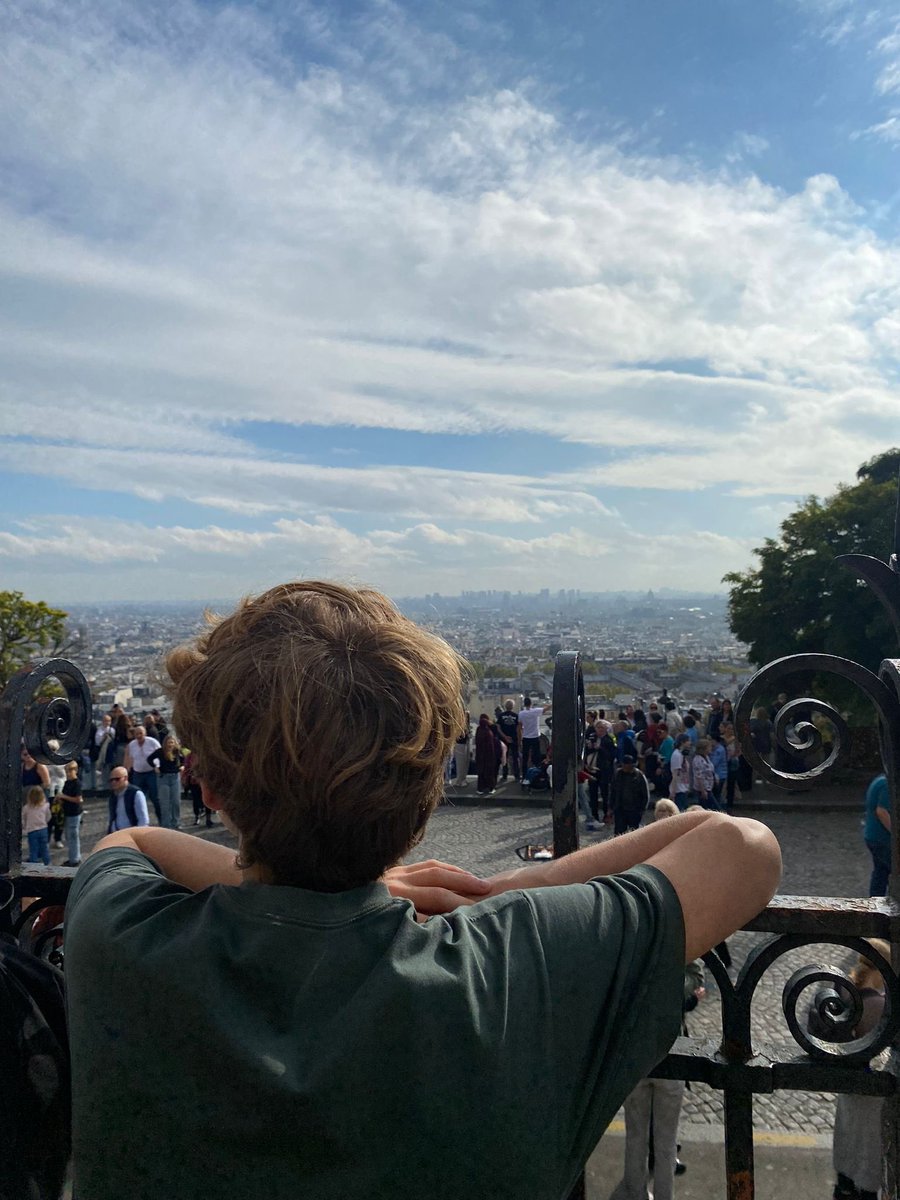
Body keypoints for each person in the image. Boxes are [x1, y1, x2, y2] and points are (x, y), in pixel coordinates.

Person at [64, 580, 782, 1200]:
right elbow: (739, 846)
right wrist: (512, 887)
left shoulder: (120, 936)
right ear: (430, 791)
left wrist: (262, 878)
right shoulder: (515, 965)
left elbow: (128, 842)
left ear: (211, 786)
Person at [826, 940, 889, 1200]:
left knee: (849, 1142)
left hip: (849, 1085)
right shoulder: (878, 1005)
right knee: (869, 1151)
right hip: (873, 1091)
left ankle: (844, 1186)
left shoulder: (843, 988)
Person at [125, 725, 162, 823]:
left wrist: (158, 766)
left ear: (145, 733)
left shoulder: (152, 742)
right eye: (136, 734)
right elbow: (130, 758)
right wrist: (127, 770)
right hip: (138, 774)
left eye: (141, 733)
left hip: (151, 773)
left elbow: (160, 754)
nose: (139, 735)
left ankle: (162, 821)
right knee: (138, 798)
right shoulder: (132, 745)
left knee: (155, 798)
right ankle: (140, 822)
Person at [863, 773, 891, 897]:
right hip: (882, 838)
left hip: (873, 836)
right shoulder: (887, 784)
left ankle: (875, 900)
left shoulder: (882, 779)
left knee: (881, 871)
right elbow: (882, 811)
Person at [149, 735, 184, 830]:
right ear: (165, 743)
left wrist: (182, 766)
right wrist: (155, 767)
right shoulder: (160, 752)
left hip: (175, 777)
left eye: (172, 742)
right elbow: (149, 759)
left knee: (176, 801)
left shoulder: (178, 751)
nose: (170, 744)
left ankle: (176, 823)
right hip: (163, 777)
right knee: (165, 802)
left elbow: (184, 759)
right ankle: (165, 825)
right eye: (169, 742)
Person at [610, 756, 650, 836]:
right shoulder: (618, 775)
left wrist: (642, 809)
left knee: (634, 833)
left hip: (634, 809)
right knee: (619, 833)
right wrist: (611, 807)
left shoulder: (639, 776)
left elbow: (645, 794)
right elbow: (613, 791)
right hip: (620, 808)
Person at [106, 767, 149, 832]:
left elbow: (143, 820)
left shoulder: (136, 794)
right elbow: (112, 818)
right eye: (111, 780)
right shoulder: (112, 796)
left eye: (117, 779)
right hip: (116, 835)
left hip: (132, 834)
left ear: (125, 778)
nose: (113, 782)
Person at [518, 695, 550, 776]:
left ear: (524, 704)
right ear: (531, 703)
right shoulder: (535, 711)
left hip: (526, 737)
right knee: (536, 755)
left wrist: (520, 739)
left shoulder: (521, 713)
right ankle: (537, 773)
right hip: (535, 737)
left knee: (525, 757)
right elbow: (546, 709)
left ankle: (524, 774)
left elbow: (519, 727)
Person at [61, 759, 85, 866]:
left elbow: (78, 799)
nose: (68, 773)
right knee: (69, 836)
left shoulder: (77, 783)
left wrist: (63, 796)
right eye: (67, 771)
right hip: (67, 812)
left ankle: (75, 859)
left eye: (70, 771)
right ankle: (73, 857)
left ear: (75, 770)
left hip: (74, 813)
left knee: (73, 836)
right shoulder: (67, 782)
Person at [22, 785, 51, 866]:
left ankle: (33, 865)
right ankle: (47, 864)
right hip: (43, 829)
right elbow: (48, 816)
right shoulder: (45, 806)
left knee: (33, 849)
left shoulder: (26, 808)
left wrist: (25, 827)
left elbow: (23, 818)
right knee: (44, 848)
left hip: (32, 830)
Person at [495, 700, 520, 781]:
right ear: (512, 706)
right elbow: (518, 729)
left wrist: (505, 737)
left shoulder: (501, 715)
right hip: (513, 739)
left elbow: (498, 728)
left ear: (505, 706)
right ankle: (517, 775)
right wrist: (519, 739)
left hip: (503, 740)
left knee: (504, 757)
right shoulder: (516, 716)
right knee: (515, 757)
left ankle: (505, 775)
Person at [474, 713, 497, 795]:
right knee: (489, 772)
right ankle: (491, 788)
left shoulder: (478, 730)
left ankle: (480, 789)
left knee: (481, 773)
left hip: (480, 755)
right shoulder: (488, 732)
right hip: (488, 756)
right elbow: (491, 746)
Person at [93, 713, 118, 790]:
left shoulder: (112, 730)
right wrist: (103, 737)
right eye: (106, 721)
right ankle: (105, 786)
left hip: (110, 752)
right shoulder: (99, 730)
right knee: (104, 770)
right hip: (103, 752)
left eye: (109, 721)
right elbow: (97, 742)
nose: (107, 722)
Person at [452, 712, 470, 789]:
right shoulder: (459, 723)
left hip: (464, 743)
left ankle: (463, 779)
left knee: (465, 762)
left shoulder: (465, 724)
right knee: (461, 763)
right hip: (460, 744)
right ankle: (460, 780)